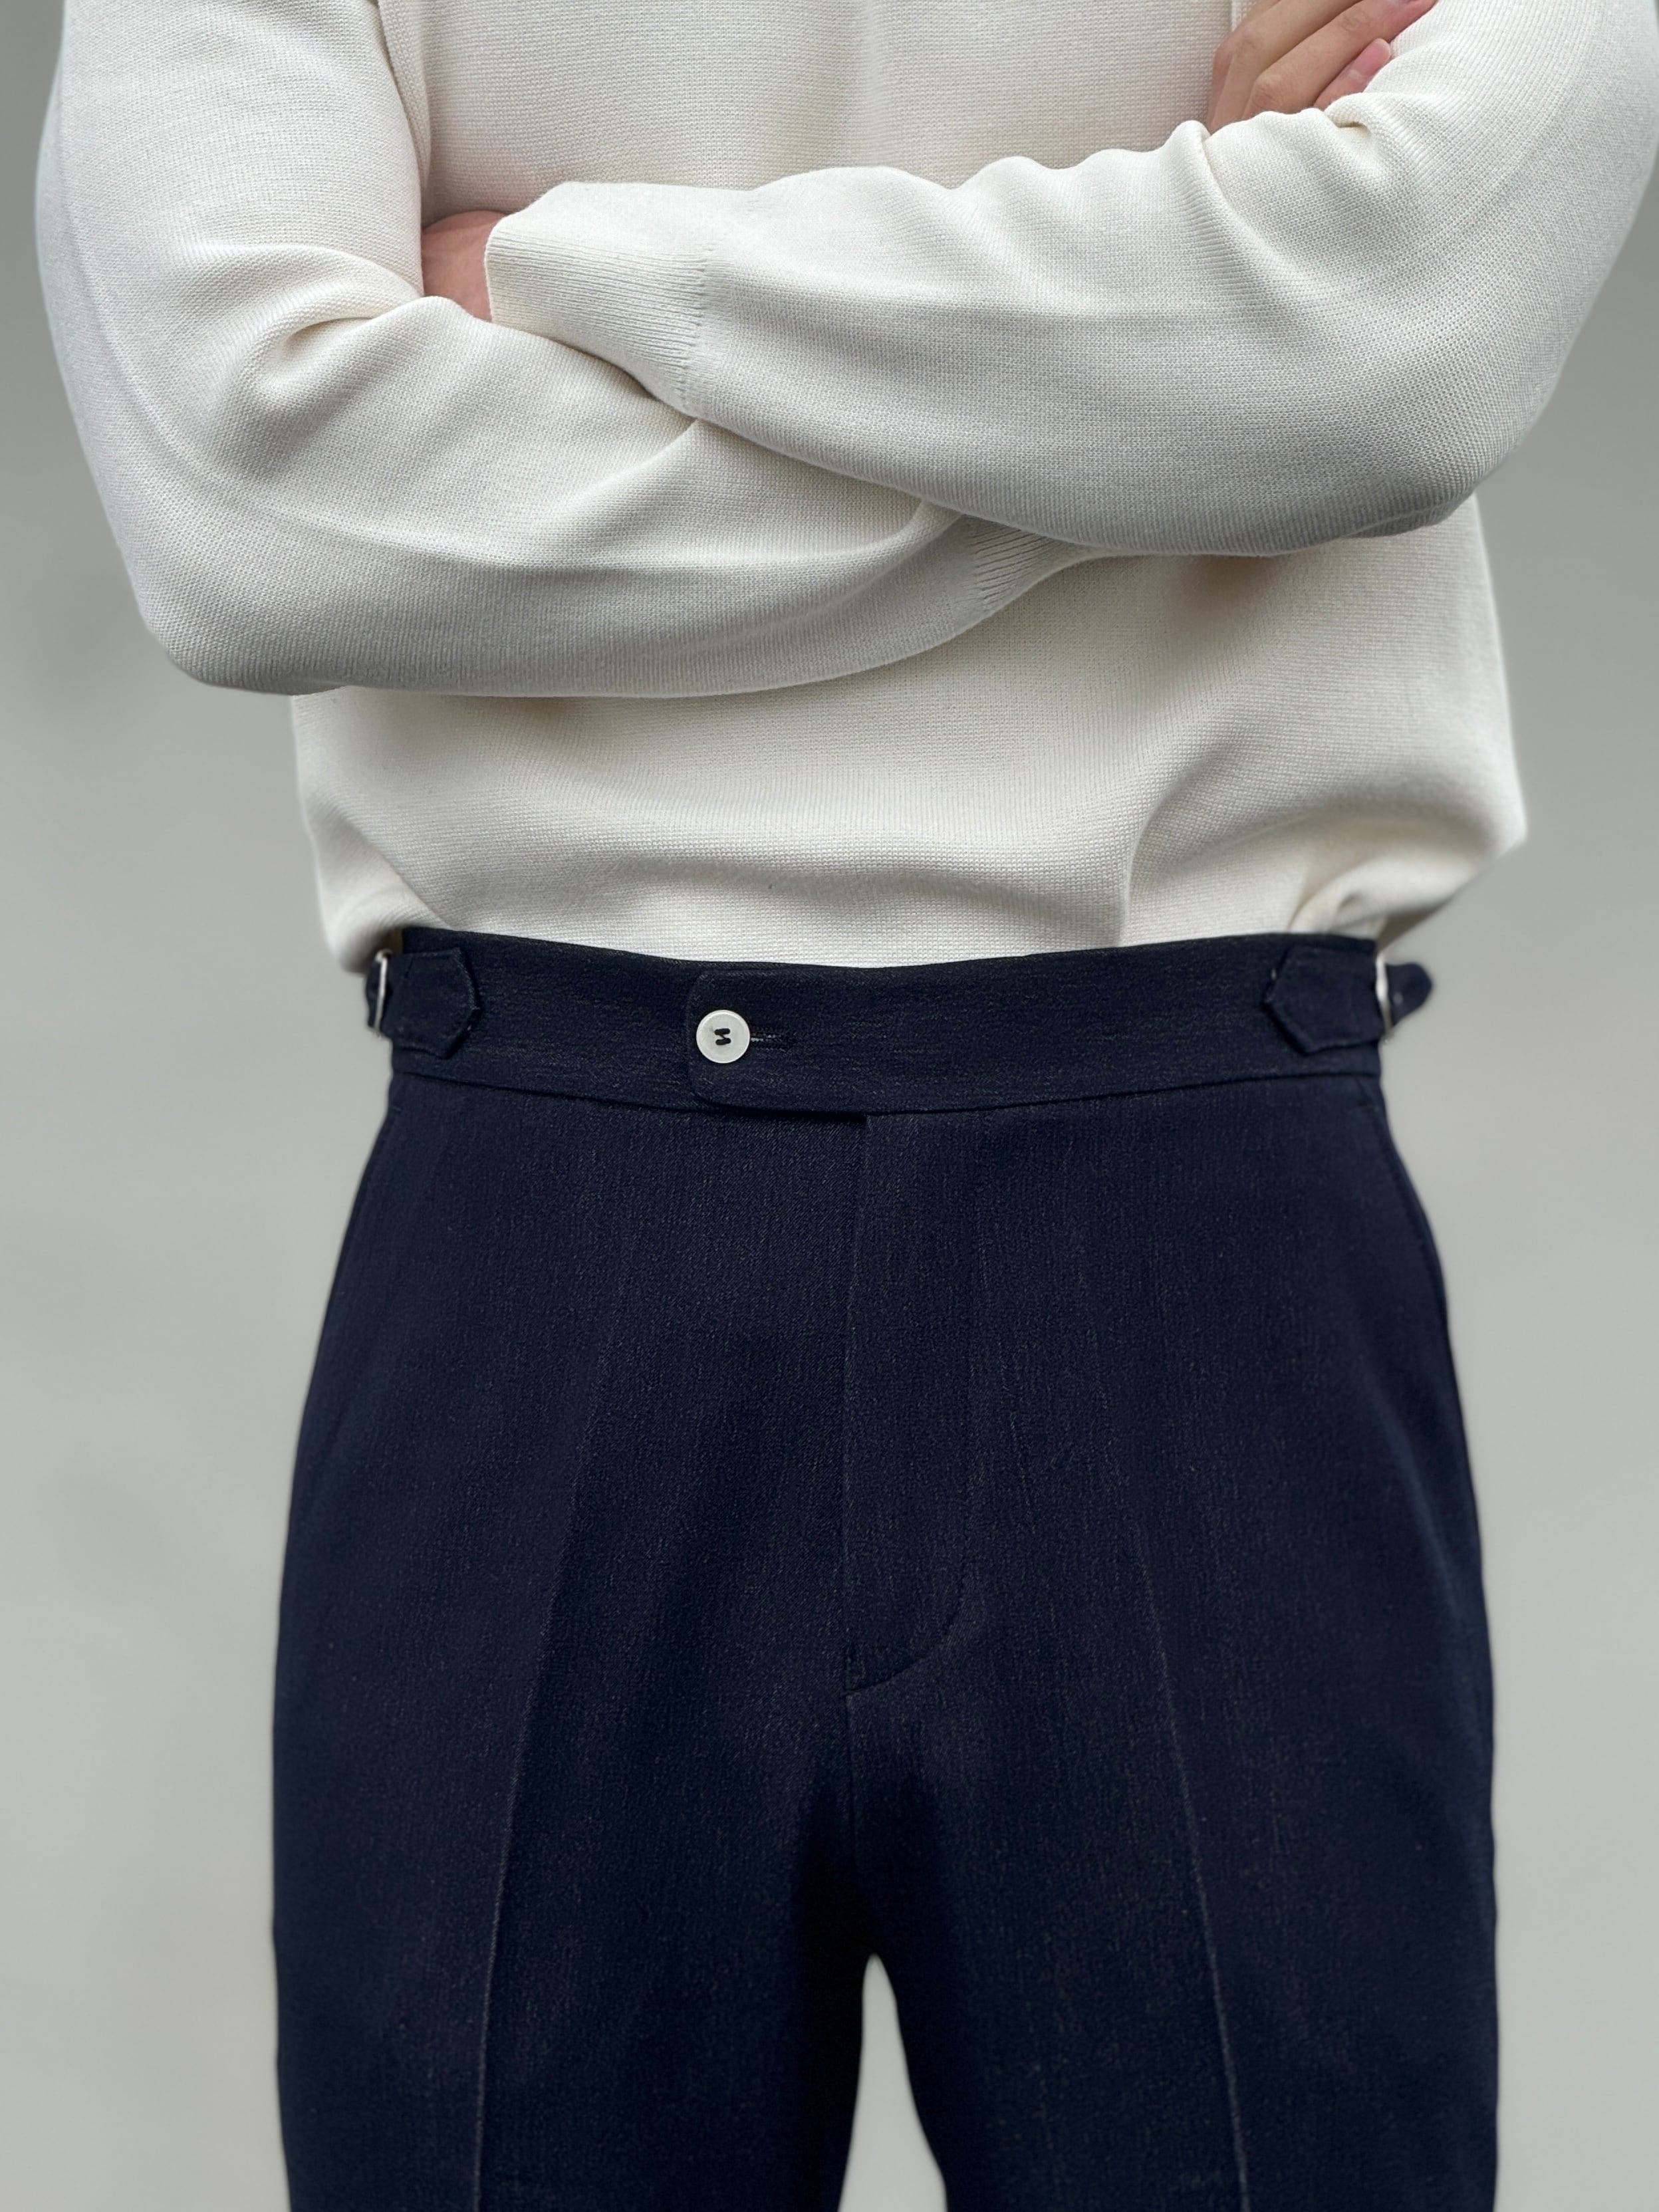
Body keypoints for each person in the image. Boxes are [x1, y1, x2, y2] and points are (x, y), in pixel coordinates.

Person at [37, 0, 1658, 2203]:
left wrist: (551, 273)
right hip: (574, 1207)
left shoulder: (557, 269)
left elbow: (1398, 349)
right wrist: (1161, 401)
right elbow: (249, 513)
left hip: (1174, 1218)